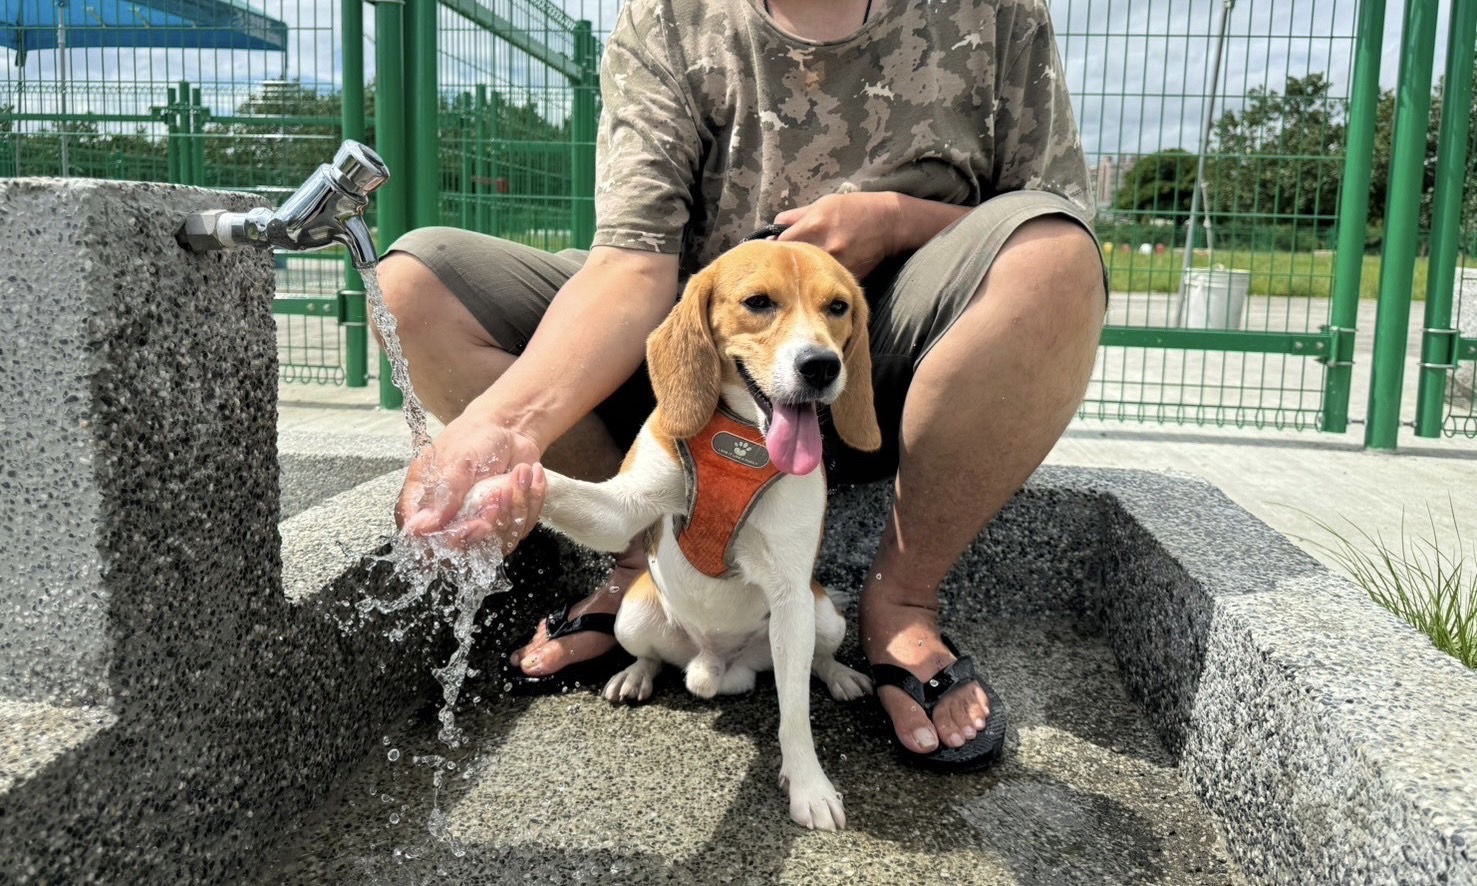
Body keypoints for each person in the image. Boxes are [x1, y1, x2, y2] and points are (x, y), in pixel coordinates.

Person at [377, 0, 1106, 768]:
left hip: (892, 357)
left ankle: (903, 600)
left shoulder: (994, 13)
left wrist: (896, 219)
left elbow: (1051, 211)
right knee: (415, 288)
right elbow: (632, 261)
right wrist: (507, 424)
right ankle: (639, 562)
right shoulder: (668, 18)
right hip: (697, 354)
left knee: (1055, 256)